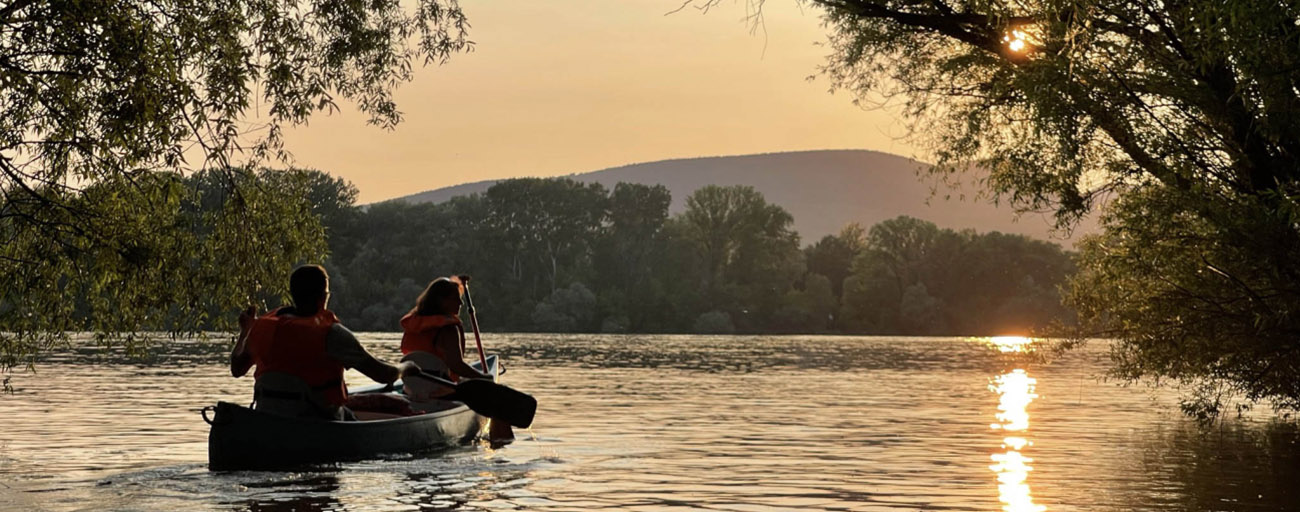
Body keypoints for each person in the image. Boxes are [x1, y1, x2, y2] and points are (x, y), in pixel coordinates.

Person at [230, 264, 421, 420]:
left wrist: (245, 331)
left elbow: (237, 369)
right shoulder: (332, 334)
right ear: (323, 297)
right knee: (351, 417)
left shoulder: (262, 328)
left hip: (270, 416)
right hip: (318, 419)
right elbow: (384, 375)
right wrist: (406, 367)